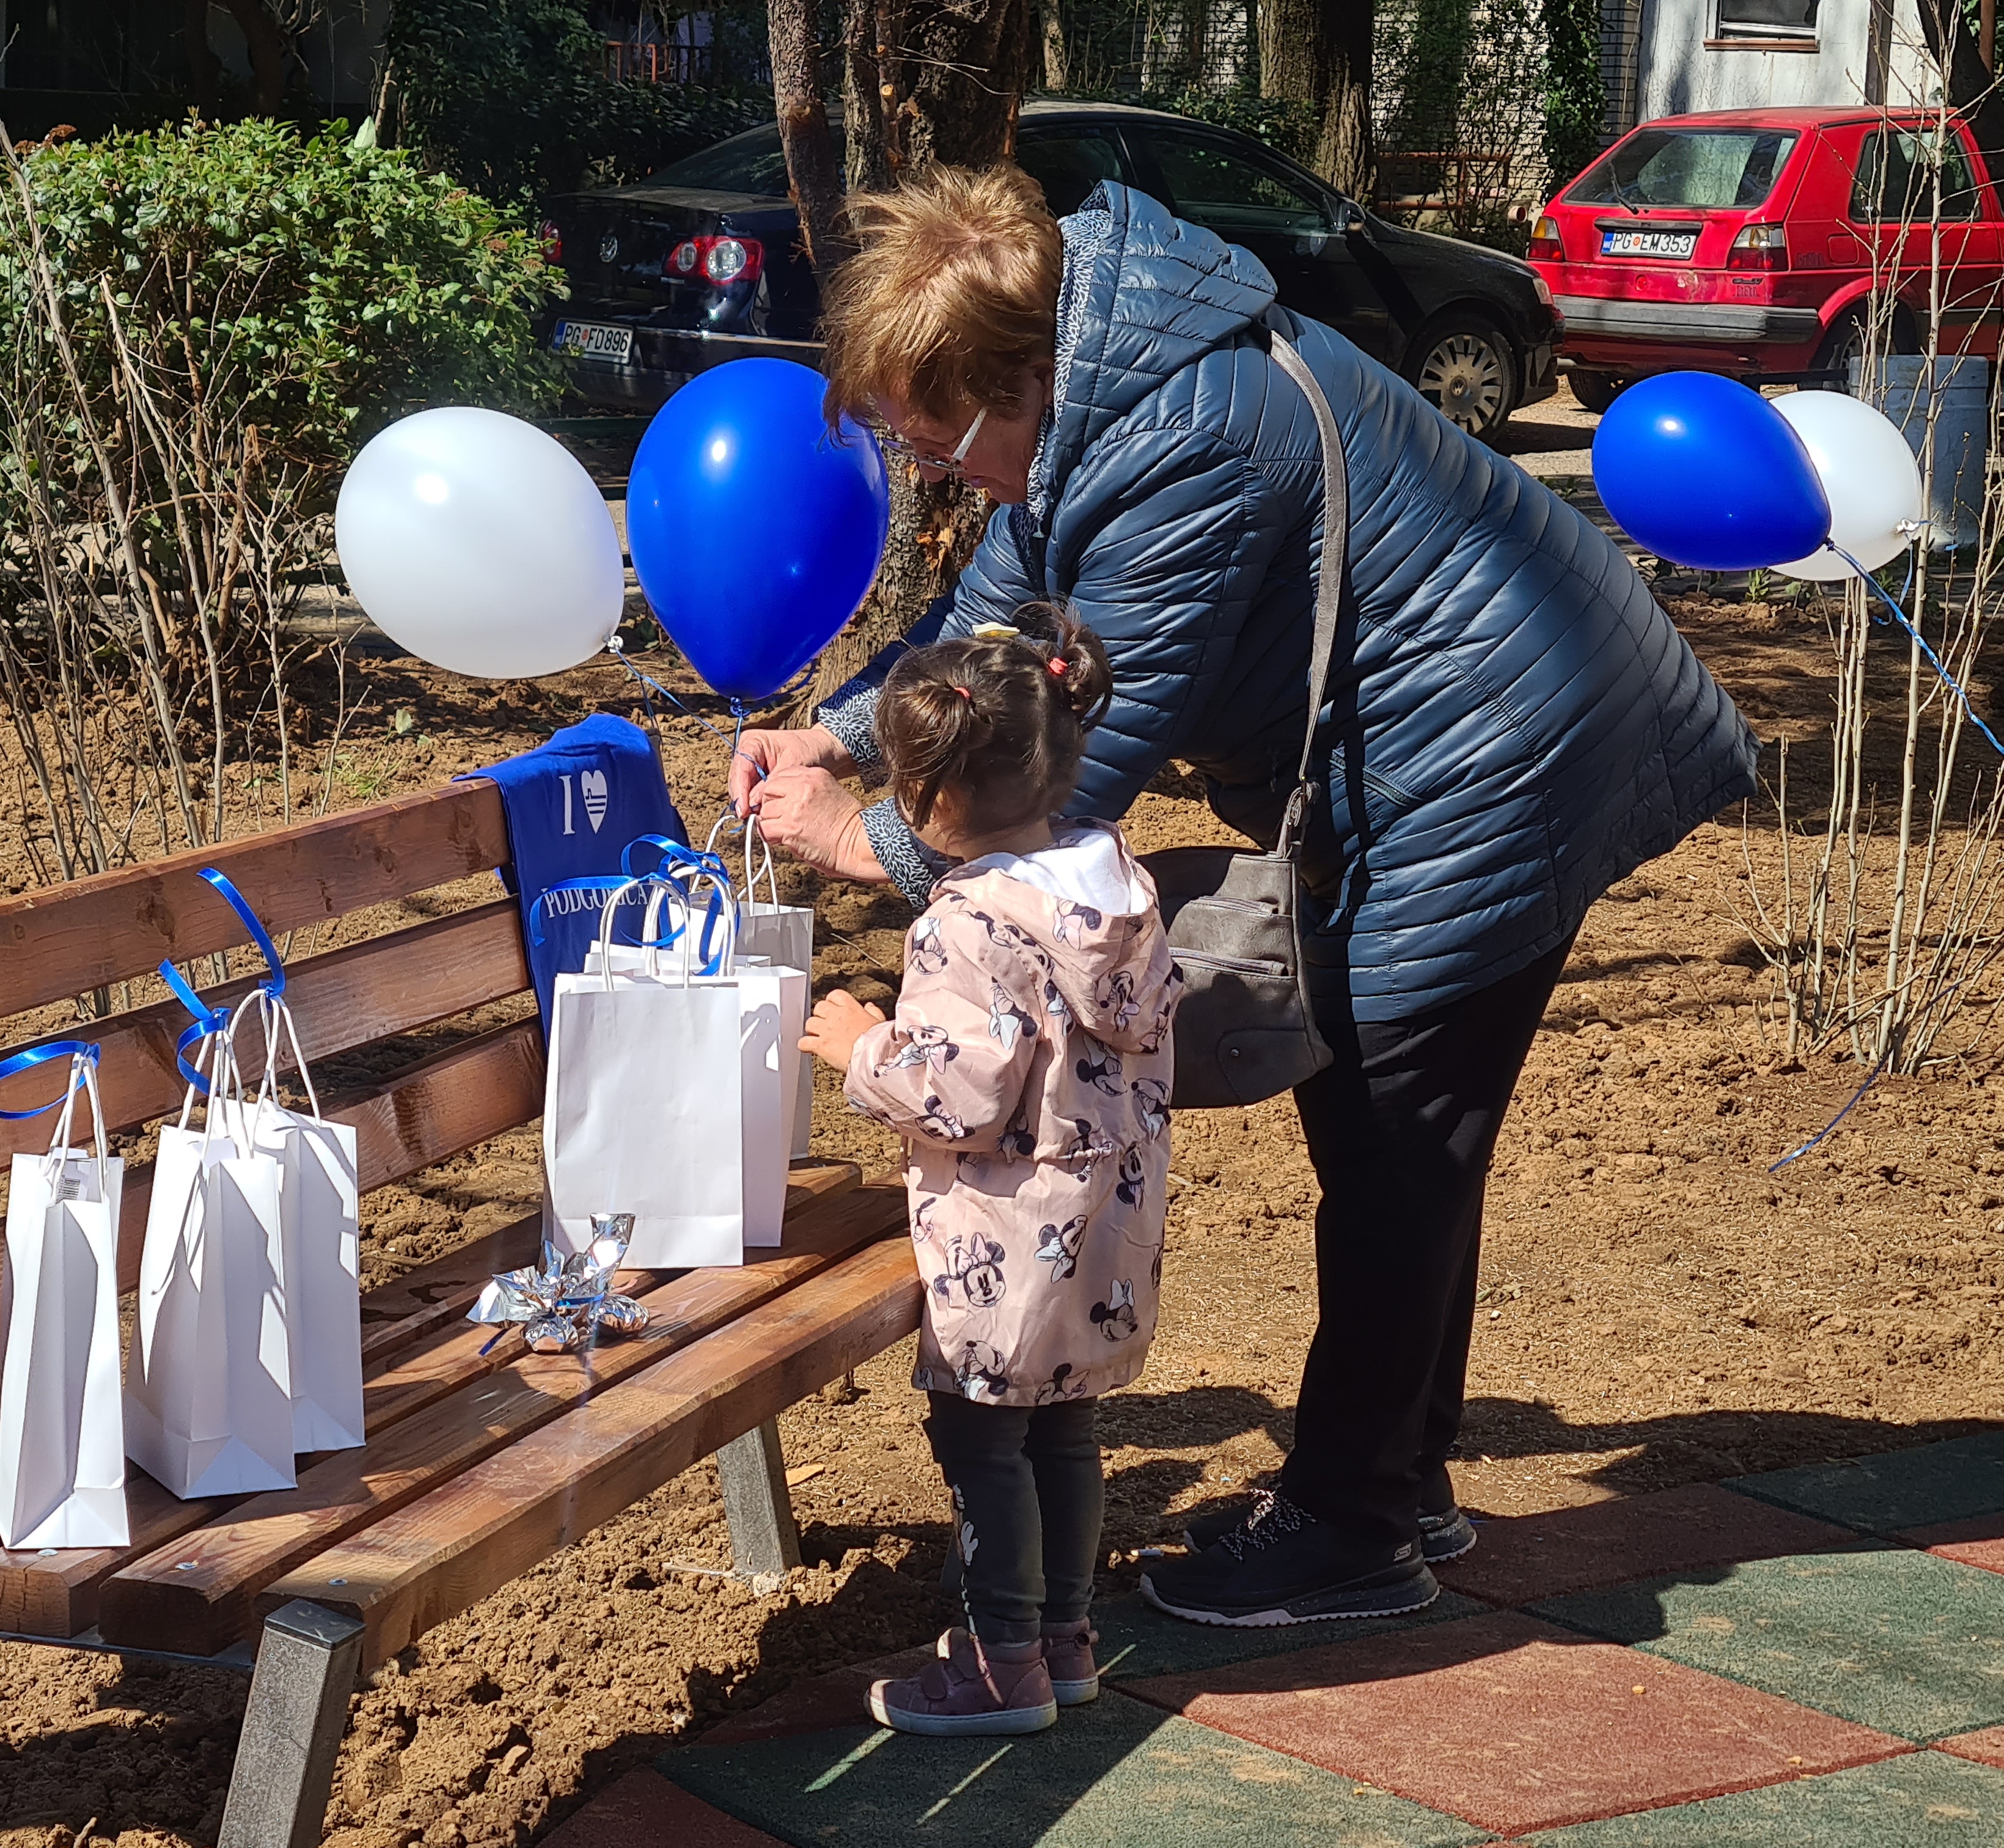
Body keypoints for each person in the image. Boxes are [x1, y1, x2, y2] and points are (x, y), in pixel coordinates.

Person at [744, 166, 1757, 1628]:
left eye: (943, 441)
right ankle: (1396, 1481)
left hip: (1502, 751)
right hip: (1466, 735)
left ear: (1021, 377)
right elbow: (1009, 615)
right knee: (1404, 1129)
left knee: (1398, 1128)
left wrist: (867, 846)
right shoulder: (1112, 382)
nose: (940, 473)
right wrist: (837, 728)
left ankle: (1353, 1524)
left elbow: (1074, 762)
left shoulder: (1190, 443)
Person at [798, 610, 1178, 1736]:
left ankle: (1000, 1666)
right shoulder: (1119, 888)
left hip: (1005, 1237)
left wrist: (859, 1044)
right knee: (1064, 1428)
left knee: (981, 1441)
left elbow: (958, 1095)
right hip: (1109, 1214)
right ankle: (1064, 1642)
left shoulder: (966, 922)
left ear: (922, 802)